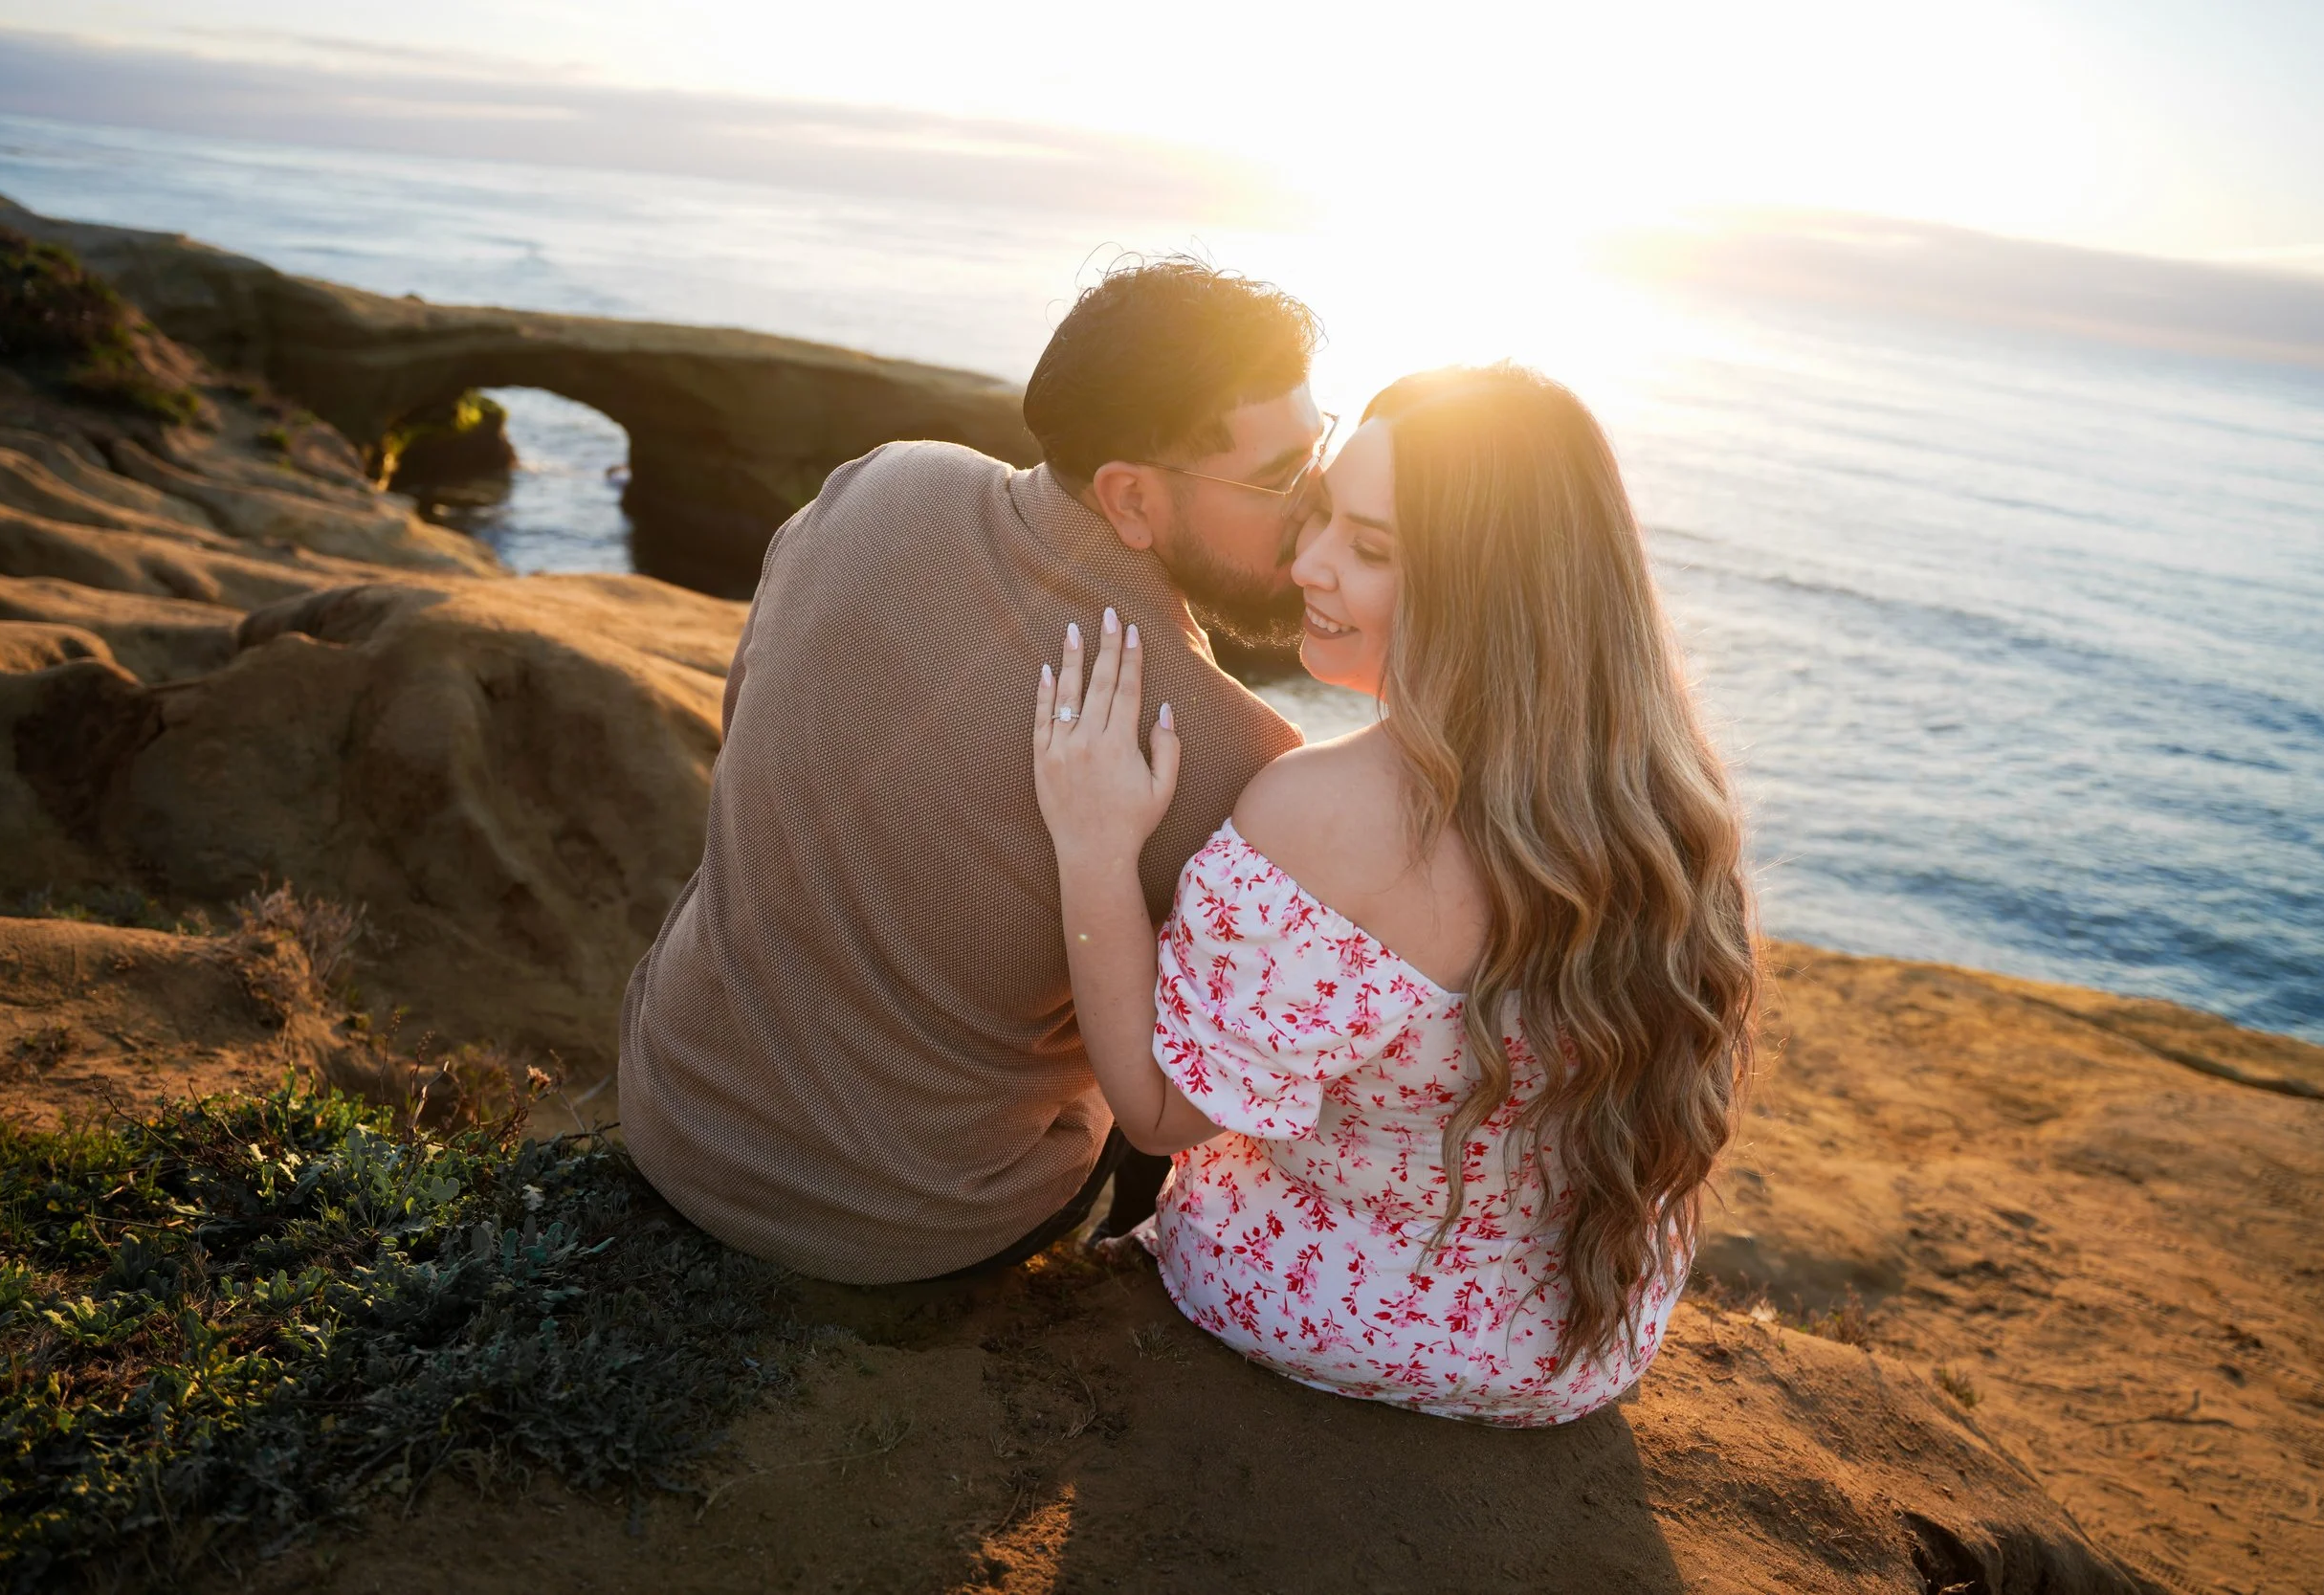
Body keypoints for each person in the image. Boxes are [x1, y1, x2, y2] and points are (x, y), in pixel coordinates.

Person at [1031, 362, 1760, 1424]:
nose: (1308, 563)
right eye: (1318, 513)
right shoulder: (1663, 797)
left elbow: (1154, 1111)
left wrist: (1094, 844)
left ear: (1487, 590)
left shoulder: (1322, 813)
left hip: (1320, 1308)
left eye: (1370, 549)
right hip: (1576, 1341)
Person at [616, 260, 1326, 1284]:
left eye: (1320, 449)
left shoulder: (881, 479)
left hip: (670, 1105)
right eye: (1277, 477)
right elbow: (1180, 1068)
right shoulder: (1231, 756)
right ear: (1129, 495)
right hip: (908, 1221)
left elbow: (750, 709)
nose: (1316, 508)